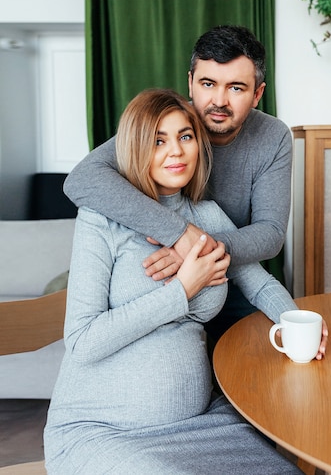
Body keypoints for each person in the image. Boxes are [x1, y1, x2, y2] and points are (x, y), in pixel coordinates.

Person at [44, 89, 306, 475]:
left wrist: (300, 325)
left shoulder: (207, 215)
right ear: (134, 148)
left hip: (200, 423)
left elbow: (260, 285)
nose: (176, 152)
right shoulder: (100, 219)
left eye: (185, 136)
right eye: (158, 140)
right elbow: (82, 342)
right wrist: (182, 290)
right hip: (101, 431)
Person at [64, 26, 296, 341]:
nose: (219, 100)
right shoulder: (166, 121)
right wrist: (179, 233)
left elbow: (270, 234)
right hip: (162, 296)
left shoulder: (273, 137)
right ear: (190, 83)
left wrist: (195, 251)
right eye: (208, 84)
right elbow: (81, 179)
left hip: (236, 281)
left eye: (236, 88)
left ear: (257, 94)